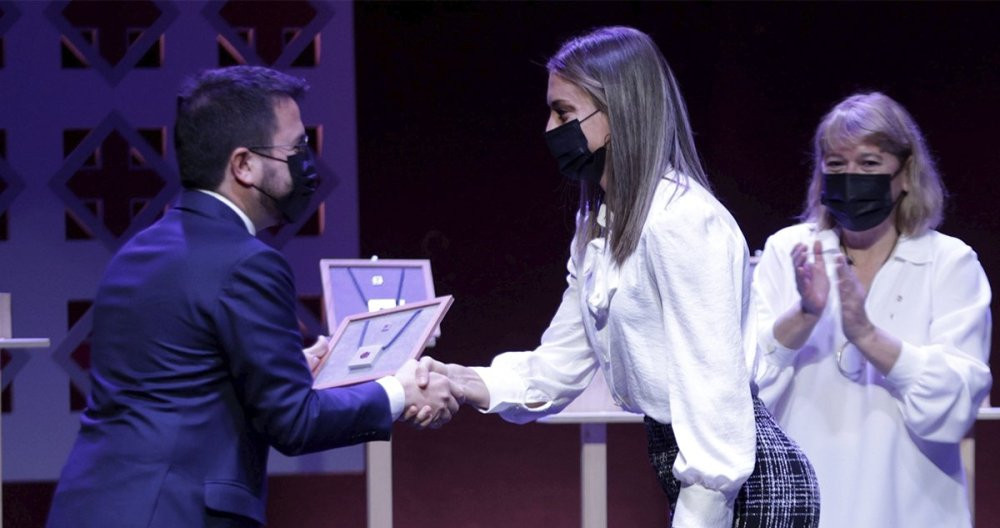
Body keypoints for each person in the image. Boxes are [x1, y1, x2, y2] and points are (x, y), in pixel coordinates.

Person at [422, 26, 819, 527]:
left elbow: (714, 397)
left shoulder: (681, 221)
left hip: (742, 485)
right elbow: (556, 370)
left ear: (619, 112)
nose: (549, 129)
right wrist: (459, 381)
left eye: (564, 113)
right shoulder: (599, 229)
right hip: (690, 471)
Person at [47, 66, 461, 528]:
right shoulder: (248, 262)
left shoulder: (135, 252)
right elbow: (294, 422)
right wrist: (398, 392)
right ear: (243, 165)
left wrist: (288, 365)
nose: (308, 163)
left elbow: (177, 378)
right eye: (298, 148)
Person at [750, 92, 992, 527]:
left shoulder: (950, 263)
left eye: (869, 164)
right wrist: (804, 316)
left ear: (904, 175)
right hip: (805, 506)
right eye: (836, 165)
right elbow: (745, 389)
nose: (851, 178)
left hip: (912, 508)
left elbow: (955, 407)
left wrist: (867, 336)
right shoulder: (790, 251)